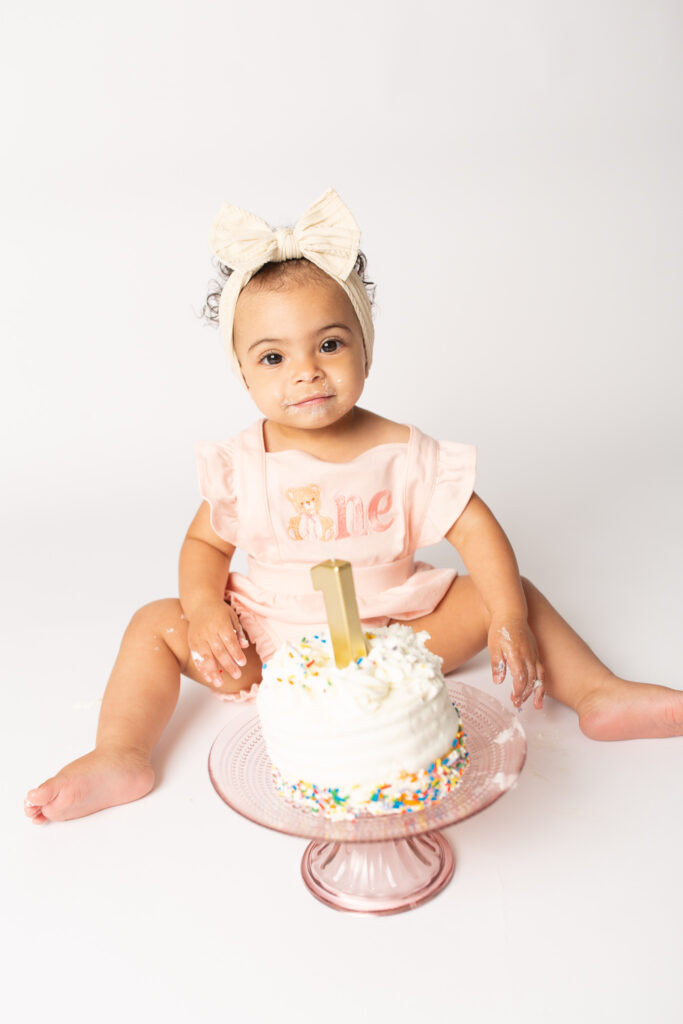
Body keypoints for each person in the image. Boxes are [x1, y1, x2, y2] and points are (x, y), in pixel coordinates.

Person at [24, 187, 683, 825]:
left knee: (510, 590)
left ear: (365, 346)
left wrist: (505, 615)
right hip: (271, 641)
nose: (305, 371)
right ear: (245, 374)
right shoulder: (244, 464)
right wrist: (202, 611)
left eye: (329, 345)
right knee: (152, 622)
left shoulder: (401, 452)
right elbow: (204, 546)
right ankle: (120, 754)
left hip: (398, 637)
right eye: (274, 357)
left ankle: (598, 692)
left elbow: (475, 526)